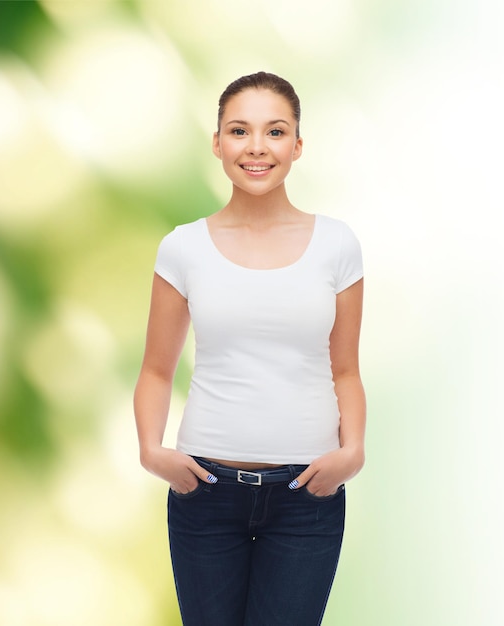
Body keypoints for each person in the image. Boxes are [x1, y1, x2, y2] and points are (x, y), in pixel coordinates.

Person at [134, 71, 366, 626]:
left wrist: (351, 451)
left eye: (275, 131)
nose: (257, 147)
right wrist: (151, 450)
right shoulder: (183, 247)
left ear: (297, 146)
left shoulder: (337, 245)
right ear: (217, 143)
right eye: (239, 130)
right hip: (205, 492)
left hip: (307, 496)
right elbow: (156, 370)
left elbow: (346, 370)